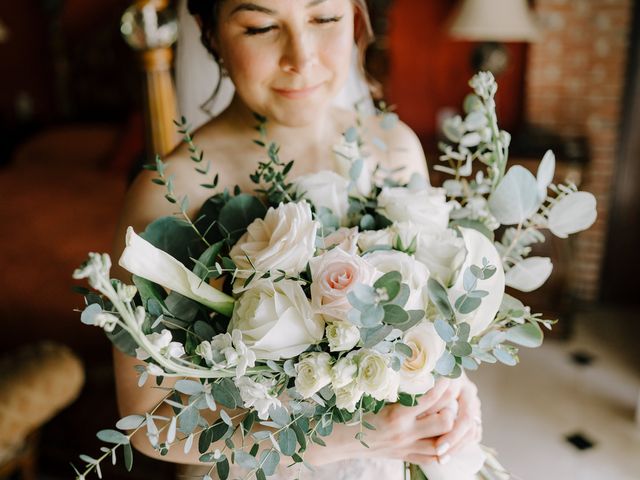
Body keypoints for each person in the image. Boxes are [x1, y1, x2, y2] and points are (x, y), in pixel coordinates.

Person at [111, 1, 482, 478]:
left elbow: (433, 317)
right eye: (262, 26)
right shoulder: (173, 194)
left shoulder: (396, 149)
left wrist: (453, 390)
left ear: (356, 15)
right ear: (210, 32)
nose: (301, 57)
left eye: (324, 18)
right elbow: (147, 424)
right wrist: (339, 437)